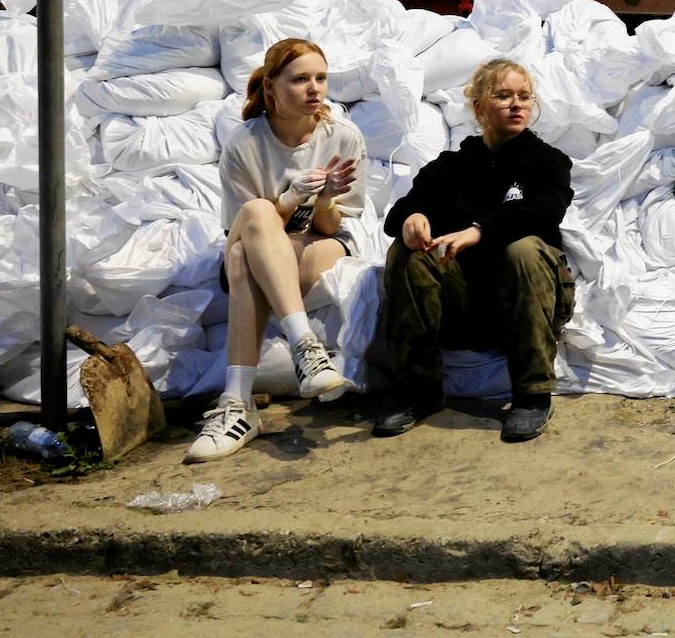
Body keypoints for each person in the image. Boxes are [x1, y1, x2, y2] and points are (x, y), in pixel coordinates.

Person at [375, 59, 576, 442]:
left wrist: (479, 231)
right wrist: (411, 218)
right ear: (479, 106)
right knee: (405, 252)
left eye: (524, 96)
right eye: (503, 96)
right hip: (466, 303)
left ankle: (533, 394)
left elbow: (545, 211)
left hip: (528, 299)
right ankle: (418, 390)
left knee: (525, 249)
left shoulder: (547, 162)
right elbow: (402, 209)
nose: (517, 105)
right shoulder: (453, 166)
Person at [187, 38, 364, 463]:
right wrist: (287, 198)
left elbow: (330, 226)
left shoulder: (342, 136)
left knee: (243, 258)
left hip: (318, 245)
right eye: (300, 79)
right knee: (254, 221)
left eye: (321, 78)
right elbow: (245, 227)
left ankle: (237, 405)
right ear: (270, 87)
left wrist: (323, 198)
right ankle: (306, 347)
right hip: (256, 243)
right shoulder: (244, 142)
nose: (314, 89)